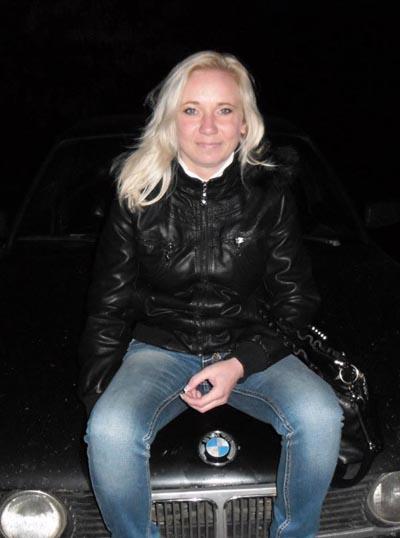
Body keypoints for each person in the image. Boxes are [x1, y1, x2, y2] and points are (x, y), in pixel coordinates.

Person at [78, 50, 343, 538]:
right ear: (170, 121)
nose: (207, 126)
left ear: (245, 124)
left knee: (321, 415)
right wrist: (100, 399)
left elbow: (297, 301)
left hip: (249, 345)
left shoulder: (270, 195)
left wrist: (241, 362)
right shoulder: (137, 193)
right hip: (160, 348)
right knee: (110, 431)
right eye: (191, 109)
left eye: (224, 110)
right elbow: (108, 304)